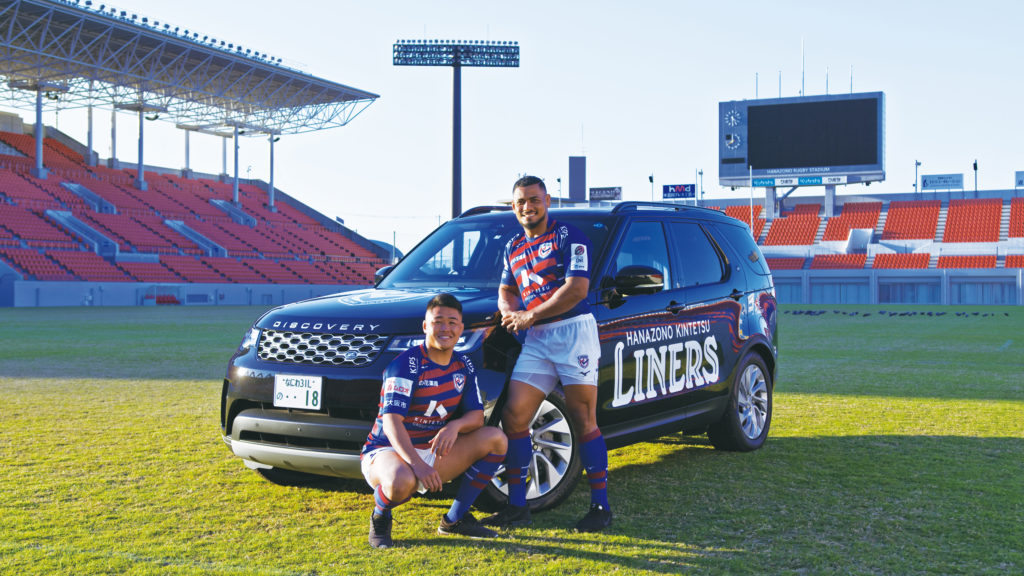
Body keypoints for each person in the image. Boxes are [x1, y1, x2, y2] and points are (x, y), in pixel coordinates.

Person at [483, 175, 612, 533]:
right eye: (521, 202)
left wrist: (530, 315)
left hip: (573, 333)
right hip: (537, 338)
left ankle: (600, 507)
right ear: (514, 207)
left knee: (583, 418)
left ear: (548, 201)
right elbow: (507, 289)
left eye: (534, 200)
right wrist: (509, 311)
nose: (528, 206)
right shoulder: (513, 246)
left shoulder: (569, 236)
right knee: (514, 416)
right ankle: (517, 507)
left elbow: (577, 289)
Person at [361, 293, 507, 548]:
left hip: (431, 448)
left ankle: (455, 519)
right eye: (438, 322)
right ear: (425, 326)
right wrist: (418, 465)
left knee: (496, 439)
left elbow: (476, 416)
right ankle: (380, 516)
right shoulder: (406, 364)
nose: (445, 329)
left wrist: (454, 426)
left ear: (461, 328)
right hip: (388, 449)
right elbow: (391, 422)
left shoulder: (463, 365)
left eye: (452, 322)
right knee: (400, 482)